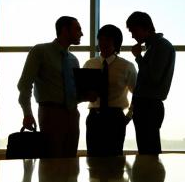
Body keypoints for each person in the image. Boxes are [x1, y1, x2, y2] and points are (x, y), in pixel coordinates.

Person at [17, 16, 83, 158]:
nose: (81, 33)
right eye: (78, 29)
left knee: (70, 161)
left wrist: (86, 96)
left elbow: (72, 92)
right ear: (65, 30)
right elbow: (25, 84)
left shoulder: (73, 60)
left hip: (72, 114)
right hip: (51, 113)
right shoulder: (40, 51)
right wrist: (27, 113)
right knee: (52, 162)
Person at [83, 24, 137, 157]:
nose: (103, 43)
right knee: (93, 160)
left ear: (116, 43)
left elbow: (137, 94)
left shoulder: (126, 66)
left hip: (115, 118)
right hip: (94, 116)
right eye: (100, 39)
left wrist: (129, 116)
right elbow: (81, 91)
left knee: (115, 160)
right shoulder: (90, 64)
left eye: (107, 40)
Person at [126, 11, 176, 155]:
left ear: (146, 28)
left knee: (148, 151)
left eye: (134, 31)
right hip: (147, 105)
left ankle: (150, 177)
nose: (133, 36)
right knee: (148, 150)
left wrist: (138, 58)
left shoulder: (160, 46)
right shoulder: (155, 47)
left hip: (149, 106)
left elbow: (153, 77)